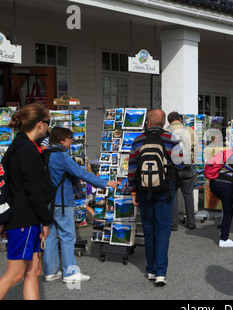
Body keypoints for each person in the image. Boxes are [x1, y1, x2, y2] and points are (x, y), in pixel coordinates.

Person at [42, 127, 120, 283]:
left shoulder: (45, 155)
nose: (72, 142)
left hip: (47, 202)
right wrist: (105, 183)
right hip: (62, 201)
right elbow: (81, 173)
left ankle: (50, 272)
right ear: (62, 140)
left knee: (50, 236)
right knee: (67, 236)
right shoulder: (62, 156)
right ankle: (70, 273)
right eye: (70, 139)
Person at [0, 103, 53, 300]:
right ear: (40, 124)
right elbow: (34, 192)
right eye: (48, 123)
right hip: (25, 220)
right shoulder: (26, 150)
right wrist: (46, 220)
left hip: (26, 218)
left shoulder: (20, 145)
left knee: (34, 271)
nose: (49, 128)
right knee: (14, 275)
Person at [128, 109, 183, 286]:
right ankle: (161, 273)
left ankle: (150, 269)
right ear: (163, 123)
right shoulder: (171, 138)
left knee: (148, 229)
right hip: (166, 190)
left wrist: (134, 192)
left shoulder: (138, 140)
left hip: (144, 190)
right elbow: (181, 163)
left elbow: (131, 168)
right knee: (163, 230)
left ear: (148, 123)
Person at [209, 137, 233, 248]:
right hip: (224, 185)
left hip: (214, 183)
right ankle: (224, 239)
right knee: (228, 211)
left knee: (227, 208)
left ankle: (224, 237)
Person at [166, 111, 199, 231]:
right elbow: (197, 148)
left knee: (173, 196)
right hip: (186, 165)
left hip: (172, 167)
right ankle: (191, 222)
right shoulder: (189, 130)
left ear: (169, 121)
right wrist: (191, 157)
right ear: (179, 119)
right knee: (188, 195)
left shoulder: (166, 131)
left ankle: (173, 224)